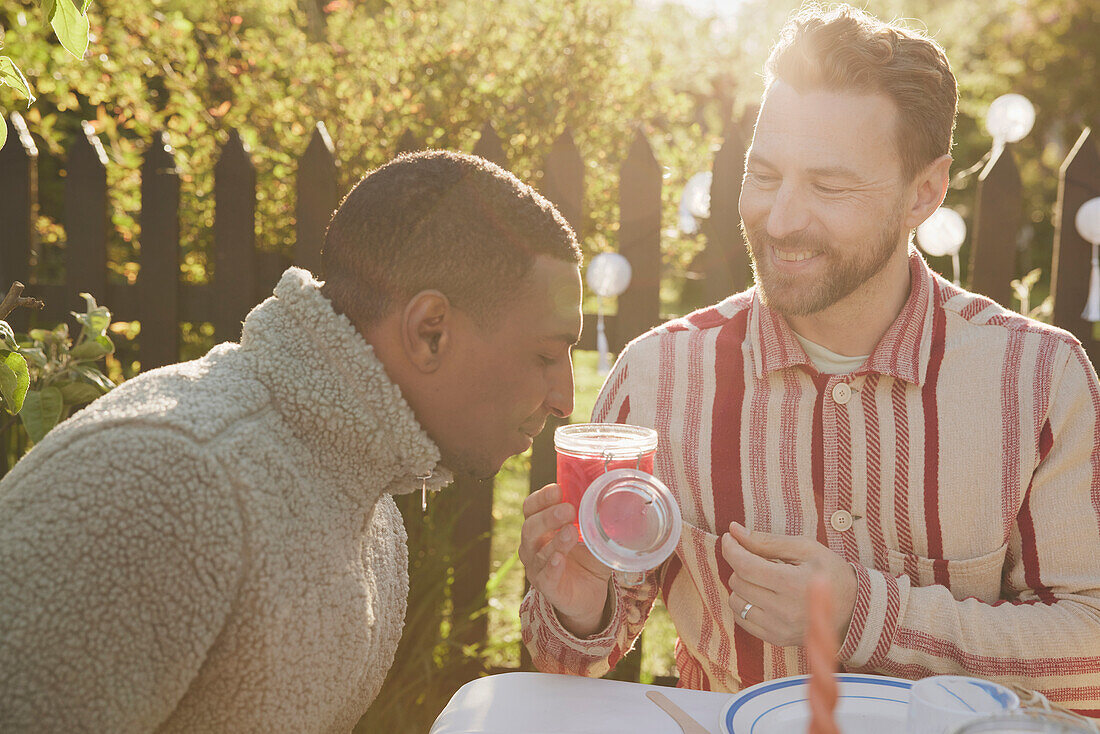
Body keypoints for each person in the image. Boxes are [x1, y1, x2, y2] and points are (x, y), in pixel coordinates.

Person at [519, 4, 1100, 715]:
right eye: (764, 175)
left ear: (926, 191)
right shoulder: (656, 377)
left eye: (829, 186)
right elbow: (568, 660)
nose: (782, 218)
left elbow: (1092, 651)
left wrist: (870, 615)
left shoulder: (1039, 382)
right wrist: (579, 613)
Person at [0, 150, 582, 731]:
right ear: (431, 331)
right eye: (545, 355)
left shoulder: (368, 499)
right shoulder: (162, 483)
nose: (565, 400)